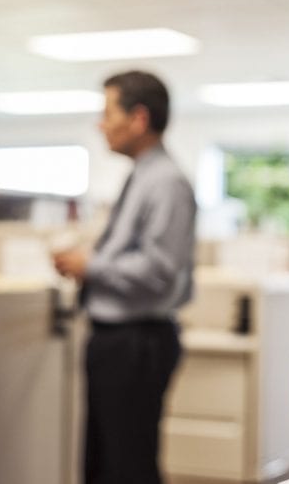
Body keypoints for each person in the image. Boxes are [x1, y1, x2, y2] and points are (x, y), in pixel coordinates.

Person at [53, 71, 196, 484]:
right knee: (104, 463)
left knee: (127, 467)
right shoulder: (142, 175)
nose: (101, 124)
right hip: (118, 340)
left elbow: (158, 270)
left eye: (107, 112)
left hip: (137, 342)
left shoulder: (165, 181)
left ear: (138, 118)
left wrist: (90, 266)